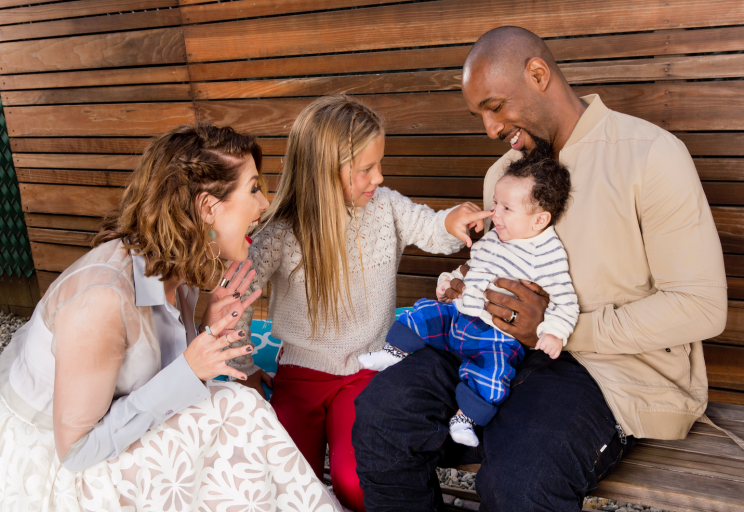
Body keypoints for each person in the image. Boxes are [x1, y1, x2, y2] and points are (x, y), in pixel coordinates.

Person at [352, 26, 728, 511]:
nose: (490, 129)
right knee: (383, 416)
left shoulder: (649, 155)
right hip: (492, 347)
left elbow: (700, 307)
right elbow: (496, 266)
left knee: (520, 483)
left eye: (494, 106)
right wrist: (467, 289)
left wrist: (554, 330)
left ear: (537, 74)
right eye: (479, 115)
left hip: (604, 371)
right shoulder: (503, 175)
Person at [0, 124, 341, 512]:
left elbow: (161, 380)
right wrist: (189, 370)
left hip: (111, 442)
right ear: (207, 208)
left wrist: (208, 330)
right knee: (237, 407)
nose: (264, 204)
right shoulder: (102, 300)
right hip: (62, 477)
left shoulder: (178, 269)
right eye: (253, 188)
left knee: (235, 408)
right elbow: (77, 451)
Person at [231, 95, 492, 511]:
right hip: (301, 376)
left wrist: (450, 220)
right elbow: (237, 296)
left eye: (379, 165)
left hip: (368, 371)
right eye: (366, 168)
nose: (379, 176)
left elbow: (428, 225)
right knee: (292, 484)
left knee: (360, 486)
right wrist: (245, 369)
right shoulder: (282, 231)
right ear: (323, 170)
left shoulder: (385, 206)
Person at [358, 152, 577, 448]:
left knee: (493, 375)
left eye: (506, 208)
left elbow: (566, 300)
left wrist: (554, 332)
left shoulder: (547, 253)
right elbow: (472, 269)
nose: (494, 213)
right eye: (495, 204)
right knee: (422, 313)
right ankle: (393, 351)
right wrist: (448, 279)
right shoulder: (497, 236)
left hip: (496, 337)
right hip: (459, 316)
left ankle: (465, 418)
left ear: (539, 219)